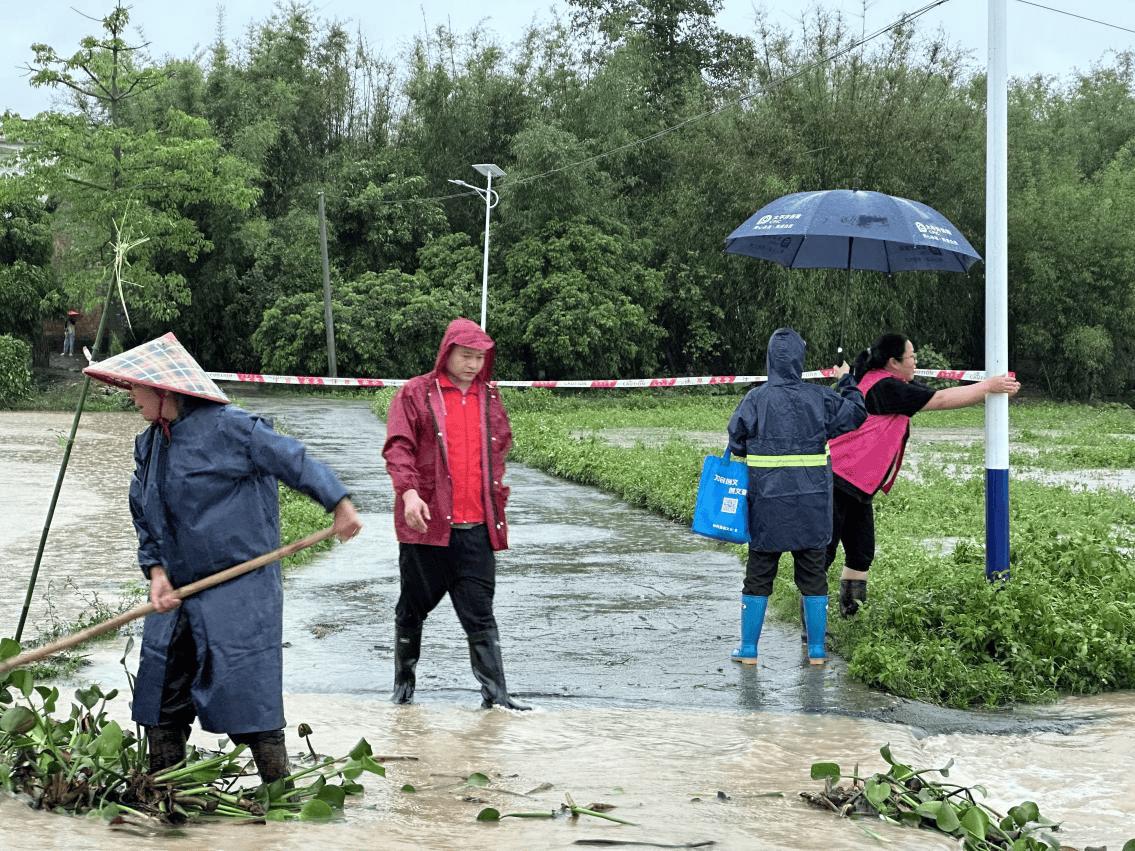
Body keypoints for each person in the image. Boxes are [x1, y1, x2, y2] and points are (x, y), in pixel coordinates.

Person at [83, 332, 363, 783]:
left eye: (136, 388)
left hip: (239, 587)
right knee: (159, 690)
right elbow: (144, 514)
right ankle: (165, 793)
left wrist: (338, 503)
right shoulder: (149, 445)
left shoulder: (233, 427)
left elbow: (293, 459)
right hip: (177, 590)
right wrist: (155, 571)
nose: (130, 397)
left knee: (248, 693)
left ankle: (280, 794)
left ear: (163, 389)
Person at [382, 317, 528, 709]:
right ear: (447, 353)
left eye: (480, 357)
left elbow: (498, 451)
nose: (473, 364)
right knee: (411, 609)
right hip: (427, 527)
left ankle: (497, 697)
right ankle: (403, 687)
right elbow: (398, 448)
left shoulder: (490, 397)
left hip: (476, 529)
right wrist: (410, 494)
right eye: (465, 356)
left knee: (481, 615)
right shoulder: (415, 394)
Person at [826, 333, 1021, 618]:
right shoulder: (887, 388)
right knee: (822, 555)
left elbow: (934, 393)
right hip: (836, 479)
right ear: (893, 362)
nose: (915, 361)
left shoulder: (884, 380)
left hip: (858, 484)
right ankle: (813, 629)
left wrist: (987, 387)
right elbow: (940, 399)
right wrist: (989, 386)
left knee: (861, 552)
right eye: (911, 356)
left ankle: (851, 615)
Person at [726, 328, 867, 666]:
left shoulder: (755, 399)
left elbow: (736, 440)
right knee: (813, 576)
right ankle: (817, 650)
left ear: (771, 360)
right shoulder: (819, 397)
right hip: (811, 504)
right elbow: (856, 415)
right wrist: (847, 381)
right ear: (800, 361)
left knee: (758, 575)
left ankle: (748, 650)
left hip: (767, 505)